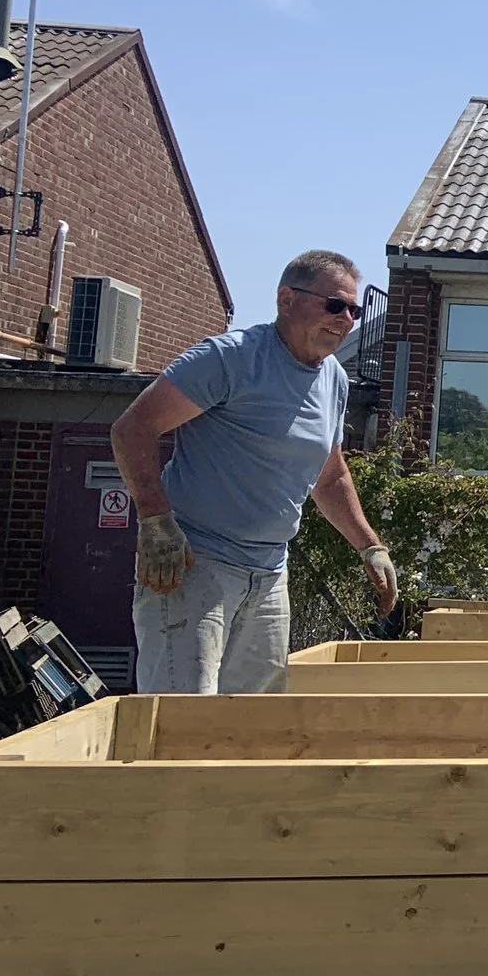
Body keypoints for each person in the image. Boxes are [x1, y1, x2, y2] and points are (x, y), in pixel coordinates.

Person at [112, 250, 396, 694]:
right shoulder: (231, 359)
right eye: (334, 305)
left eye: (354, 311)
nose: (346, 320)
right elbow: (133, 429)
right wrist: (155, 520)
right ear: (287, 299)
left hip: (268, 574)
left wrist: (370, 547)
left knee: (250, 727)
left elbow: (329, 475)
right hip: (195, 564)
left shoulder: (334, 380)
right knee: (181, 721)